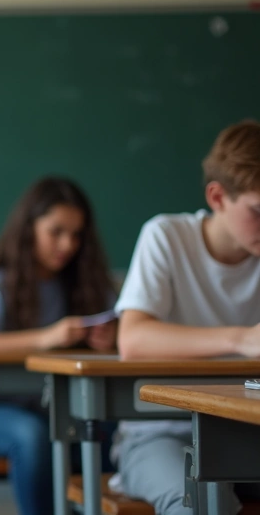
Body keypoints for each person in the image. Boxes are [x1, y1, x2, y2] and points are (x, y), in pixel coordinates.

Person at [115, 120, 260, 515]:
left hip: (249, 430)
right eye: (258, 211)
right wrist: (240, 339)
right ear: (217, 197)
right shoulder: (166, 237)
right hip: (162, 434)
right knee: (199, 508)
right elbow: (133, 340)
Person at [0, 176, 118, 515]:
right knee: (33, 436)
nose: (67, 244)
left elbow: (125, 328)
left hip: (59, 412)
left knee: (109, 430)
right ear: (29, 229)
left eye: (76, 234)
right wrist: (46, 338)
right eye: (56, 231)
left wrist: (111, 340)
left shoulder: (89, 285)